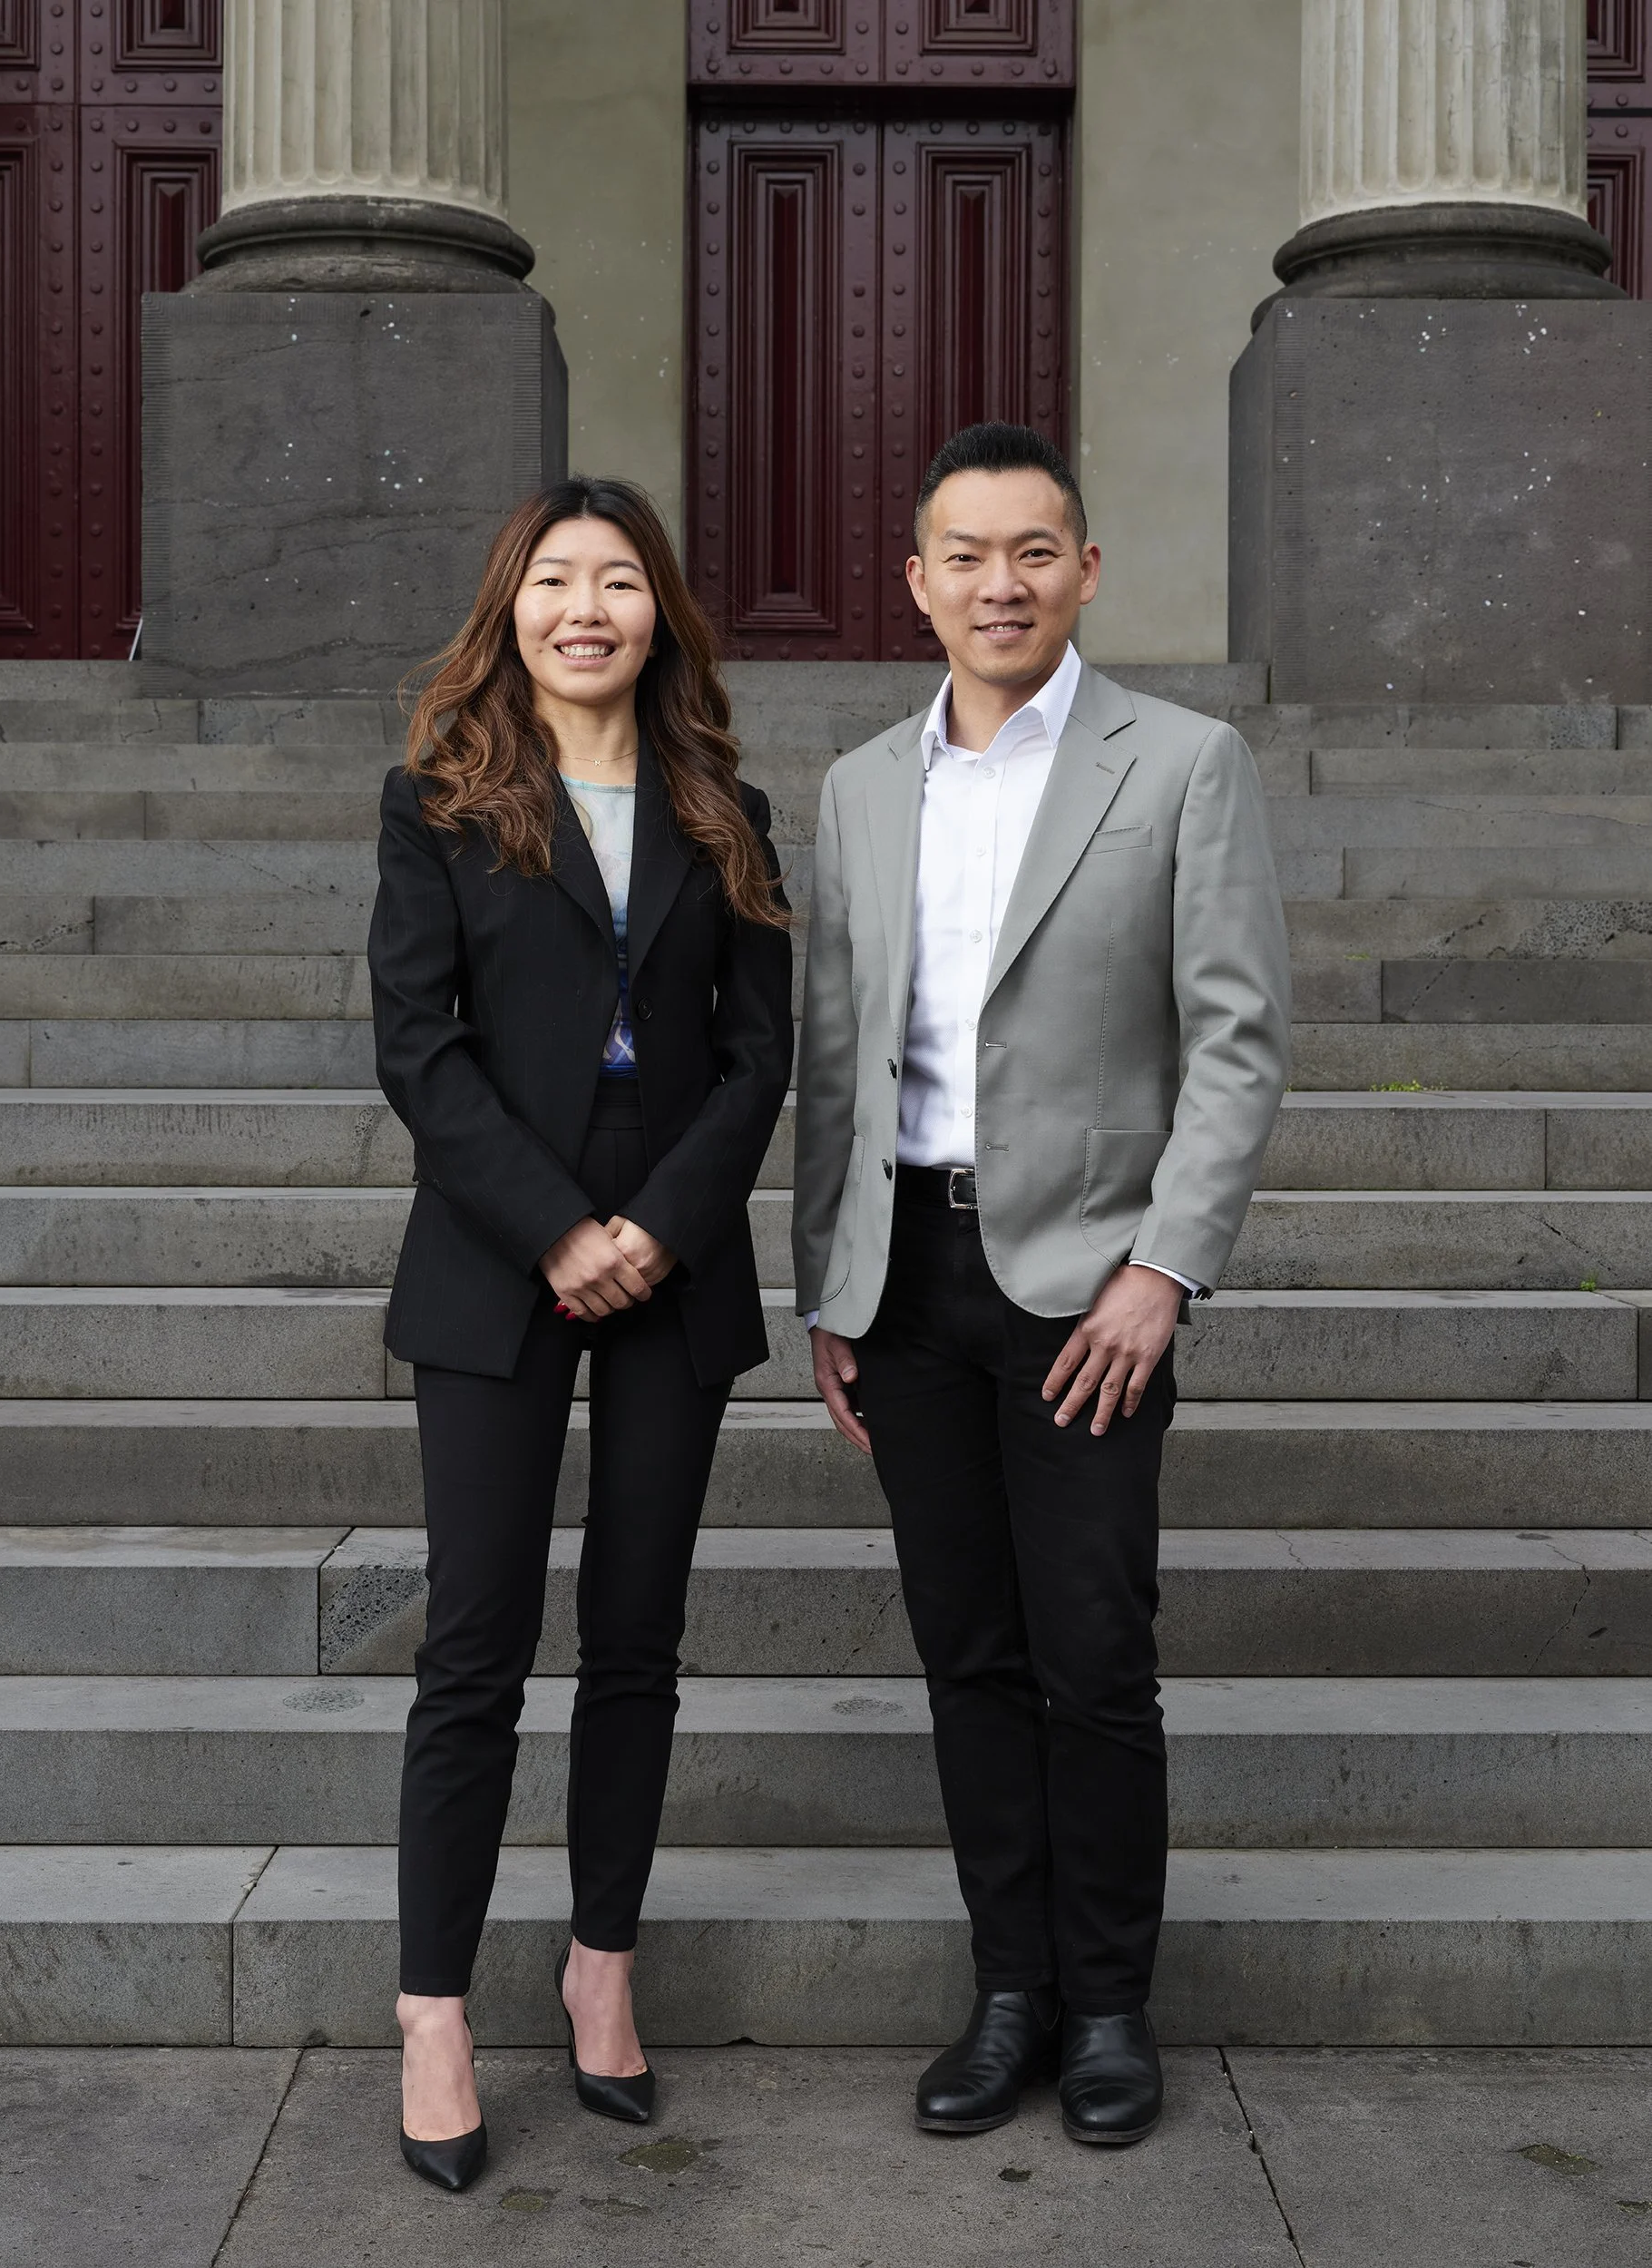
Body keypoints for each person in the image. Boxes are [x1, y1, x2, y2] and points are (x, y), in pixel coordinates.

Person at [793, 422, 1290, 2147]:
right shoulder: (862, 786)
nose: (996, 584)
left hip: (1089, 1287)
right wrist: (828, 1285)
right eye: (964, 555)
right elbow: (838, 1055)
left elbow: (1236, 1041)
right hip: (907, 1280)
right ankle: (1008, 1989)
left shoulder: (1183, 764)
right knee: (968, 1652)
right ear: (915, 582)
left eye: (1030, 552)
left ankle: (1108, 2007)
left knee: (1092, 1654)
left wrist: (1163, 1269)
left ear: (1083, 571)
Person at [369, 475, 792, 2192]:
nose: (586, 609)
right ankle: (434, 2015)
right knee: (474, 1643)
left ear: (657, 616)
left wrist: (656, 1227)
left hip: (673, 1252)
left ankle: (600, 1966)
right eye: (555, 580)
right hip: (497, 1254)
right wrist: (554, 1225)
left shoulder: (722, 807)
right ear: (513, 609)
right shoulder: (438, 800)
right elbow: (417, 1045)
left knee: (635, 1637)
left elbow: (759, 1053)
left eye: (619, 581)